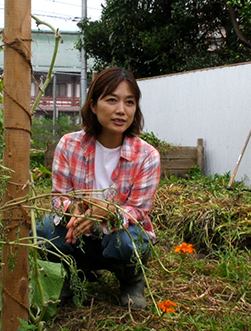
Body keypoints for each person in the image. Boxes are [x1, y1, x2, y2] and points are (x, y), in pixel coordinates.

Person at [35, 67, 161, 310]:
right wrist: (77, 212)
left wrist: (108, 211)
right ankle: (74, 274)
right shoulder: (69, 144)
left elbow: (139, 210)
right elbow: (58, 199)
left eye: (129, 102)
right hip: (79, 231)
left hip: (119, 233)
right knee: (42, 232)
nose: (121, 110)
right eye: (111, 100)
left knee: (127, 243)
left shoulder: (147, 155)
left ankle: (131, 280)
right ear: (93, 105)